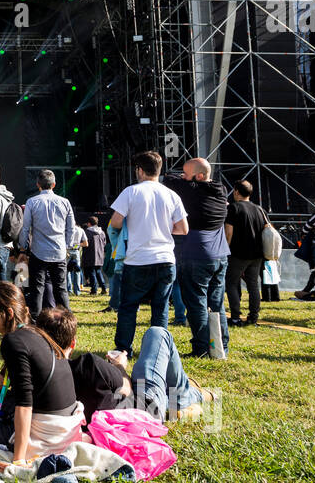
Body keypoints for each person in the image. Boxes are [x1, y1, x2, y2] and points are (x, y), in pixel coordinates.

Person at [0, 282, 84, 464]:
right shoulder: (30, 332)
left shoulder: (13, 342)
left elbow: (25, 405)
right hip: (61, 423)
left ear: (7, 313)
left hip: (41, 432)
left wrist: (18, 460)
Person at [42, 307, 210, 421]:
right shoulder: (89, 365)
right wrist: (120, 366)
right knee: (157, 334)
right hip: (143, 411)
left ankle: (186, 395)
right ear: (73, 343)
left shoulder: (36, 377)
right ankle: (194, 396)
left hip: (123, 410)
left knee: (146, 376)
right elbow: (127, 390)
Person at [108, 151, 188, 355]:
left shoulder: (131, 192)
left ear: (140, 170)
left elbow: (116, 222)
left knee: (128, 307)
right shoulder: (172, 195)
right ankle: (159, 351)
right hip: (165, 259)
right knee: (160, 308)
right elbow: (183, 229)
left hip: (138, 260)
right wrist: (162, 229)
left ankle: (124, 349)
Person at [161, 158, 229, 358]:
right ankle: (220, 347)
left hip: (197, 255)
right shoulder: (219, 189)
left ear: (199, 176)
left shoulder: (193, 192)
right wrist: (188, 178)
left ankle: (202, 349)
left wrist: (182, 179)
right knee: (216, 304)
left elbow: (169, 180)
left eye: (186, 174)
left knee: (197, 303)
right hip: (220, 254)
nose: (182, 177)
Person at [18, 169, 76, 317]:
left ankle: (36, 322)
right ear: (54, 184)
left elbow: (25, 228)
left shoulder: (32, 202)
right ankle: (67, 321)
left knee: (37, 289)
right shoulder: (65, 202)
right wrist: (68, 245)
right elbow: (71, 227)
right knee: (61, 289)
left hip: (39, 252)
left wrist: (23, 247)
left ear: (38, 184)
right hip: (59, 252)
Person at [224, 180, 268, 326]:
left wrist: (225, 251)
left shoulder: (233, 208)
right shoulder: (259, 209)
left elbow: (228, 233)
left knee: (231, 283)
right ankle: (253, 317)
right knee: (253, 285)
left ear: (236, 192)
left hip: (238, 253)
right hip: (257, 254)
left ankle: (235, 316)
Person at [84, 217, 107, 294]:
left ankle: (94, 290)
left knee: (92, 272)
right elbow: (104, 243)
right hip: (100, 255)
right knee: (98, 272)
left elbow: (85, 243)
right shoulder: (102, 232)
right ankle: (103, 288)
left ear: (89, 223)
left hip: (90, 255)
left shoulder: (87, 232)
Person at [67, 220, 87, 295]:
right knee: (77, 271)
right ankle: (77, 291)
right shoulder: (80, 230)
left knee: (67, 271)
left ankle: (69, 290)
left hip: (67, 251)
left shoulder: (66, 229)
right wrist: (77, 245)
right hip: (76, 251)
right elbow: (86, 243)